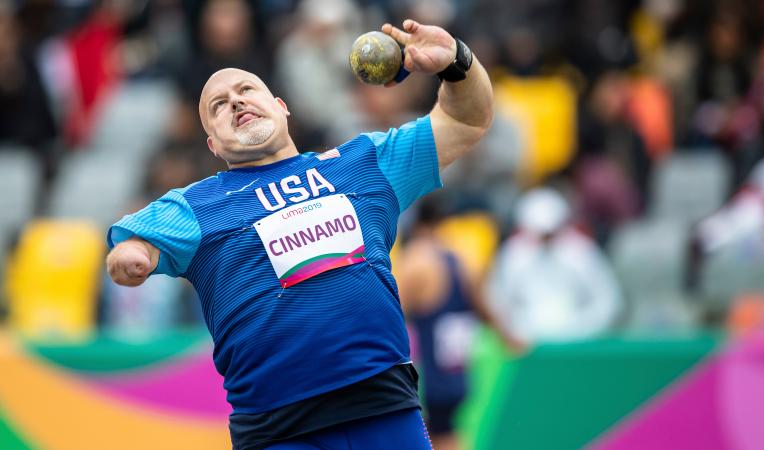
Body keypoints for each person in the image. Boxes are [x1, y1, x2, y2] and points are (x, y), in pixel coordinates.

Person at [106, 19, 492, 450]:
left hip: (384, 407)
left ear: (281, 106)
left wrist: (457, 61)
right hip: (278, 429)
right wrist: (130, 256)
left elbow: (465, 121)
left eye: (246, 91)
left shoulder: (362, 163)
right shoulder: (195, 205)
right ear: (213, 143)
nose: (235, 101)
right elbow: (133, 245)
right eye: (218, 105)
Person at [397, 195, 519, 450]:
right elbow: (485, 309)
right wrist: (509, 338)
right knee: (444, 431)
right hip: (456, 370)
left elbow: (392, 316)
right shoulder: (462, 260)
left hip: (430, 377)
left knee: (436, 435)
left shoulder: (415, 261)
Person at [488, 188, 622, 343]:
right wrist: (517, 328)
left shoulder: (582, 252)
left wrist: (583, 328)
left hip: (578, 341)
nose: (545, 240)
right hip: (525, 341)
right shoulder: (512, 255)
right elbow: (498, 300)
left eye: (550, 233)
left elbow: (608, 300)